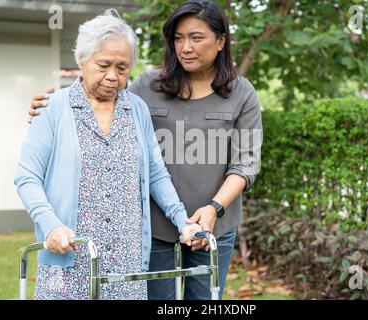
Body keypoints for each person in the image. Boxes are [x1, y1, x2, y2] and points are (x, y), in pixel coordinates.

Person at [29, 0, 262, 300]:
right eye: (178, 38)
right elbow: (102, 98)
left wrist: (213, 208)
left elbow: (245, 163)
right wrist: (46, 109)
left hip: (212, 225)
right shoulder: (149, 85)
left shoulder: (241, 93)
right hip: (155, 227)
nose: (186, 47)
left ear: (220, 41)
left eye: (196, 37)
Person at [15, 9, 201, 300]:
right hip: (70, 255)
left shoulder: (137, 109)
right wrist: (51, 227)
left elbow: (155, 172)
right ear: (82, 59)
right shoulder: (53, 108)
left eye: (122, 68)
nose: (113, 76)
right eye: (103, 65)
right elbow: (27, 177)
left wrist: (182, 220)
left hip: (125, 261)